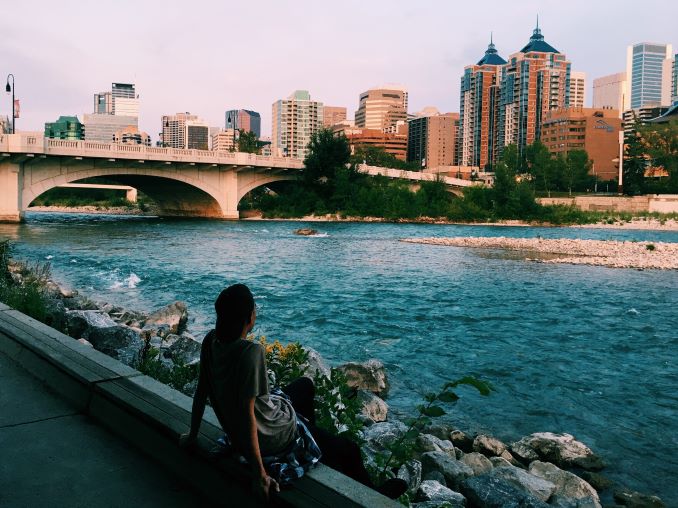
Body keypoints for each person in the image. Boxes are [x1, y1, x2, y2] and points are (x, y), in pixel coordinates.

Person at [181, 283, 406, 501]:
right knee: (351, 451)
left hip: (247, 429)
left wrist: (192, 436)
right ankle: (375, 495)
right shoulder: (250, 352)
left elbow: (202, 391)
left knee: (305, 385)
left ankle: (314, 438)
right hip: (272, 436)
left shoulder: (210, 340)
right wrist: (260, 475)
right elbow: (247, 413)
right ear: (249, 318)